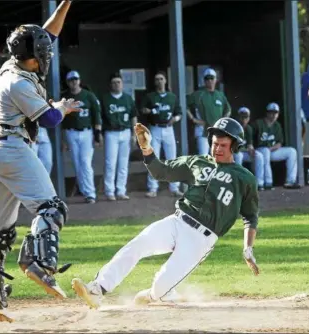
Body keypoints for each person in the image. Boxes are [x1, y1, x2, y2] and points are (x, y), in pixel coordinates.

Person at [72, 117, 260, 309]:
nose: (217, 149)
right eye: (214, 144)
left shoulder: (245, 179)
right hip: (177, 222)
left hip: (201, 239)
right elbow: (161, 171)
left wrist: (247, 248)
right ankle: (97, 289)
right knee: (137, 245)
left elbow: (250, 216)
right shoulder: (197, 162)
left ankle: (162, 293)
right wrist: (146, 148)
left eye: (223, 145)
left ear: (235, 147)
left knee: (159, 291)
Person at [0, 0, 80, 323]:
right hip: (15, 151)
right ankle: (38, 264)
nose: (46, 57)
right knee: (52, 208)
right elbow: (48, 120)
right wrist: (63, 106)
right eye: (42, 55)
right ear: (31, 58)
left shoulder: (12, 65)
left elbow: (48, 33)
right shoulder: (18, 83)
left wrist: (65, 4)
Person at [61, 70, 102, 204]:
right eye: (71, 80)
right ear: (67, 82)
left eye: (76, 79)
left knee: (85, 162)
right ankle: (85, 191)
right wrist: (63, 139)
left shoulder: (88, 95)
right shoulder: (65, 97)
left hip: (86, 132)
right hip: (71, 132)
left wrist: (97, 133)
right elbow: (61, 119)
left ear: (79, 80)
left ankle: (90, 193)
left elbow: (96, 114)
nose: (74, 82)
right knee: (77, 164)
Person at [140, 71, 183, 198]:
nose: (159, 81)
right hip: (155, 128)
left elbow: (179, 113)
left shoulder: (172, 97)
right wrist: (148, 110)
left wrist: (174, 119)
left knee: (172, 159)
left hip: (169, 128)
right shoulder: (150, 96)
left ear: (165, 81)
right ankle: (153, 188)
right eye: (157, 79)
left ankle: (174, 188)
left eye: (161, 79)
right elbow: (142, 110)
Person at [100, 72, 137, 201]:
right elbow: (101, 118)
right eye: (114, 82)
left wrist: (134, 134)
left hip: (125, 131)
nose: (116, 84)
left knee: (123, 163)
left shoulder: (128, 98)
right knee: (110, 163)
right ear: (110, 85)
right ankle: (109, 191)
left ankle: (121, 190)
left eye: (118, 82)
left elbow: (133, 116)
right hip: (111, 132)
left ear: (122, 84)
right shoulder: (105, 99)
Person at [254, 103, 300, 189]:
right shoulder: (258, 123)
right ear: (267, 113)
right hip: (259, 151)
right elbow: (251, 139)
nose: (273, 115)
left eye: (275, 113)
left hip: (271, 151)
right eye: (271, 112)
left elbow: (279, 143)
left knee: (292, 151)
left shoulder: (277, 125)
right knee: (265, 151)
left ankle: (291, 181)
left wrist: (271, 149)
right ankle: (267, 182)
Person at [187, 68, 231, 155]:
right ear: (204, 80)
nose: (210, 80)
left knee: (217, 158)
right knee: (204, 158)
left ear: (216, 79)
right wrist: (193, 119)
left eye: (212, 78)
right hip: (203, 132)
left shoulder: (220, 95)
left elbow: (228, 109)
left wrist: (223, 121)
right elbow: (184, 105)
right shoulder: (198, 94)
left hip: (217, 132)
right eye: (207, 78)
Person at [233, 107, 264, 191]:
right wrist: (247, 149)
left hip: (244, 152)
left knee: (259, 156)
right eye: (242, 117)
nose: (243, 120)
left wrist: (251, 150)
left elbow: (249, 144)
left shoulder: (248, 128)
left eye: (246, 117)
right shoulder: (233, 128)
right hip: (233, 153)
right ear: (238, 117)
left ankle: (259, 183)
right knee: (239, 156)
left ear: (249, 118)